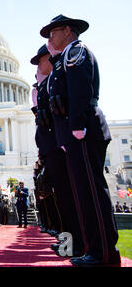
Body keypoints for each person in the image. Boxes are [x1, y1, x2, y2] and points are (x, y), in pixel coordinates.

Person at [41, 15, 121, 266]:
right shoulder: (63, 58)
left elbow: (80, 90)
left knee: (92, 194)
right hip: (75, 134)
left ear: (67, 30)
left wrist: (77, 127)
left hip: (83, 130)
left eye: (52, 33)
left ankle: (104, 254)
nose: (49, 39)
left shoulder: (76, 52)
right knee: (82, 196)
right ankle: (93, 249)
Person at [31, 44, 85, 256]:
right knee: (64, 200)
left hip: (60, 144)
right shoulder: (47, 85)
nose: (38, 67)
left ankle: (80, 245)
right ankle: (70, 244)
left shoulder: (58, 77)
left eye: (40, 62)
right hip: (51, 147)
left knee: (71, 199)